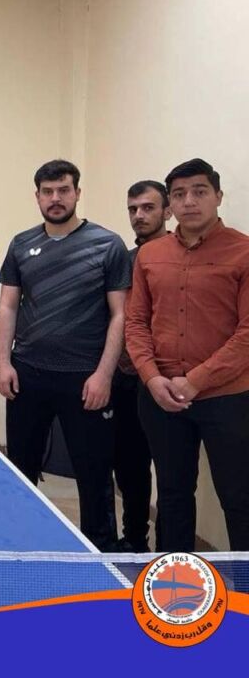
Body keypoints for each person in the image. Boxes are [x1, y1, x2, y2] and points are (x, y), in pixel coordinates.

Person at [0, 160, 130, 551]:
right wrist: (3, 363)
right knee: (22, 468)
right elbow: (8, 306)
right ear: (37, 196)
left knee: (94, 473)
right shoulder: (21, 244)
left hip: (85, 378)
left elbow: (120, 314)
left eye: (63, 190)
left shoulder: (107, 244)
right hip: (28, 374)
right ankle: (21, 544)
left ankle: (99, 551)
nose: (56, 198)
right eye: (48, 191)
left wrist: (104, 375)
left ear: (77, 193)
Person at [126, 159, 249, 551]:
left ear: (218, 196)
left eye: (199, 191)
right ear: (170, 205)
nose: (189, 201)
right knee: (173, 495)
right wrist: (151, 378)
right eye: (179, 194)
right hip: (160, 397)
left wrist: (195, 381)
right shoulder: (150, 255)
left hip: (227, 398)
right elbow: (136, 323)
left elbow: (247, 334)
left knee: (239, 497)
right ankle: (175, 579)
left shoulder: (244, 251)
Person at [111, 180, 171, 553]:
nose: (139, 216)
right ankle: (134, 541)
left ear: (167, 211)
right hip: (124, 378)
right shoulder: (125, 260)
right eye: (133, 209)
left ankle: (170, 548)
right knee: (129, 467)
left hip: (164, 379)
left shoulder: (179, 259)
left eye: (148, 208)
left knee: (171, 472)